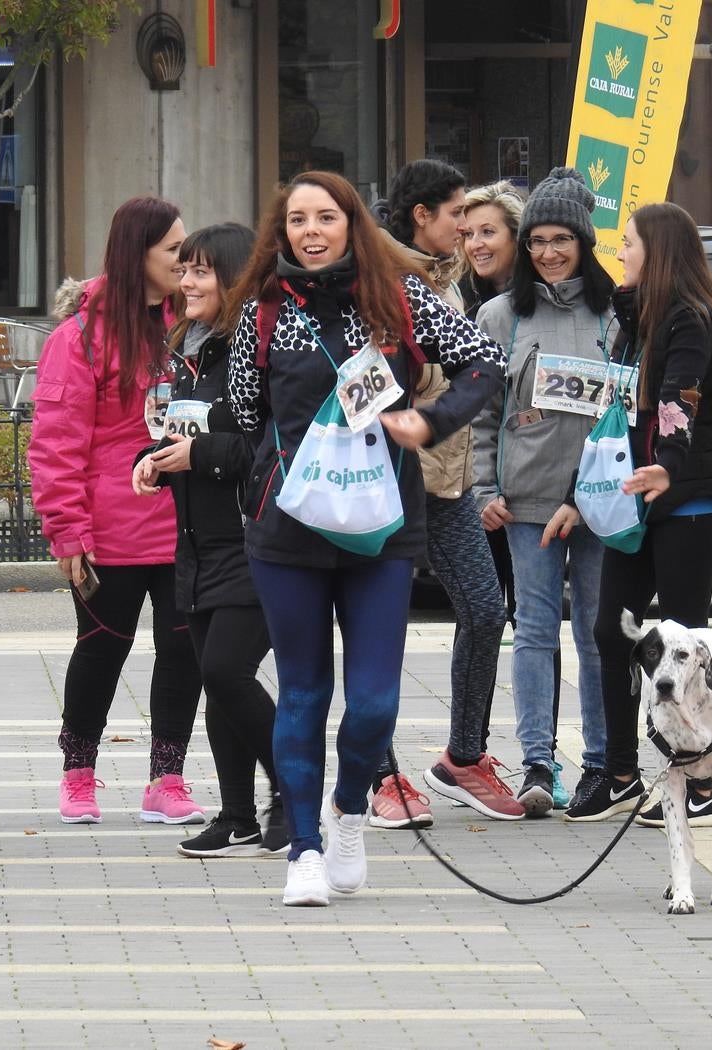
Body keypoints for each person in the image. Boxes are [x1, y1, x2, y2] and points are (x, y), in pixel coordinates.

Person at [225, 170, 505, 906]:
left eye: (325, 217)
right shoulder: (262, 311)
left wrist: (431, 422)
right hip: (287, 529)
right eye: (296, 220)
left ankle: (349, 810)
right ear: (281, 232)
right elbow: (246, 414)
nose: (310, 231)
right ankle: (306, 851)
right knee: (304, 691)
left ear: (352, 223)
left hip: (383, 526)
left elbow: (488, 364)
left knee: (375, 701)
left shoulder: (400, 298)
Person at [29, 196, 207, 827]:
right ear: (138, 256)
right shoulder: (78, 336)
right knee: (101, 648)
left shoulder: (196, 326)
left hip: (189, 525)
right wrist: (67, 532)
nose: (186, 263)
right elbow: (55, 444)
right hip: (109, 530)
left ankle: (167, 778)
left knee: (185, 651)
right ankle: (78, 775)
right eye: (172, 252)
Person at [567, 201, 712, 823]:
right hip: (633, 499)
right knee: (610, 632)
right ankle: (618, 773)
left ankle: (698, 778)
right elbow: (607, 420)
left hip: (687, 497)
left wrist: (667, 461)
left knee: (684, 640)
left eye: (630, 244)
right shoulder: (629, 321)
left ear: (659, 251)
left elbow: (680, 399)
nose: (621, 254)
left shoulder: (689, 320)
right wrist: (573, 498)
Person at [132, 222, 287, 857]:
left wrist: (198, 455)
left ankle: (294, 789)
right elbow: (175, 433)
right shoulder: (182, 352)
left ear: (234, 279)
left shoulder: (258, 352)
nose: (185, 281)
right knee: (217, 679)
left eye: (200, 271)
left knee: (226, 670)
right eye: (183, 269)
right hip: (194, 544)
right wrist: (152, 459)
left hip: (254, 542)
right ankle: (237, 813)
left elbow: (266, 444)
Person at [374, 160, 518, 824]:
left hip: (447, 482)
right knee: (377, 628)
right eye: (457, 214)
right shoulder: (380, 283)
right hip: (386, 482)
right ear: (421, 216)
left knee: (487, 610)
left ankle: (463, 757)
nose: (466, 228)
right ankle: (378, 776)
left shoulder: (446, 284)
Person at [472, 167, 614, 818]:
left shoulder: (617, 314)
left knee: (595, 630)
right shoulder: (500, 315)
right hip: (524, 503)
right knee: (532, 630)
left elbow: (627, 412)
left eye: (562, 239)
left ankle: (604, 763)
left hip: (599, 502)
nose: (549, 252)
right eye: (537, 241)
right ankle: (536, 761)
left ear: (584, 242)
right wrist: (482, 489)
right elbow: (479, 411)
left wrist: (588, 496)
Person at [457, 182, 526, 321]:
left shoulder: (542, 299)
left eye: (487, 232)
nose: (474, 245)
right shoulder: (456, 300)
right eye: (468, 234)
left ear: (516, 236)